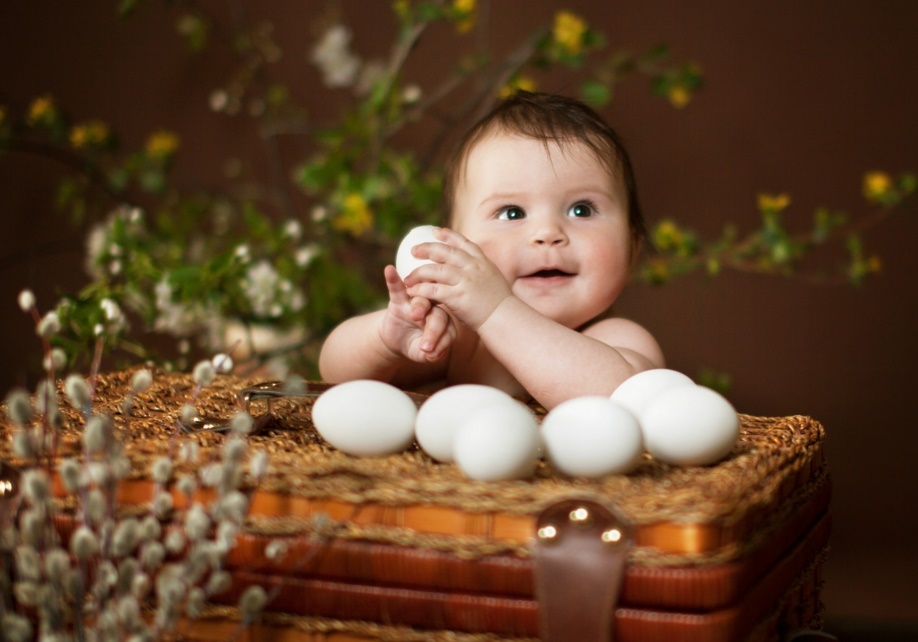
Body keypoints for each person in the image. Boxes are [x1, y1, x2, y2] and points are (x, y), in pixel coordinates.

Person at [319, 91, 664, 409]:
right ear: (456, 247)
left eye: (582, 210)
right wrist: (385, 339)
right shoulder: (461, 338)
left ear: (633, 249)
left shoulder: (619, 340)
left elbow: (625, 399)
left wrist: (497, 310)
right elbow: (334, 376)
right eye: (512, 213)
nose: (547, 233)